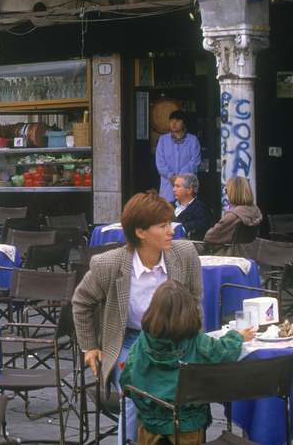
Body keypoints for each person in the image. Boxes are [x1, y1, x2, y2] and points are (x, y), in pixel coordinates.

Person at [72, 190, 203, 445]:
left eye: (170, 223)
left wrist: (197, 346)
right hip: (129, 343)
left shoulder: (185, 253)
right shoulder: (109, 264)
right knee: (135, 397)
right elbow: (82, 302)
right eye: (163, 225)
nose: (171, 230)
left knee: (189, 395)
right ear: (140, 232)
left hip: (176, 342)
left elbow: (195, 302)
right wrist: (90, 346)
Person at [119, 280, 253, 445]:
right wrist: (236, 336)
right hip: (188, 423)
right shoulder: (197, 341)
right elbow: (223, 353)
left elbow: (126, 381)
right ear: (189, 311)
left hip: (150, 422)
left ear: (153, 310)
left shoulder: (141, 341)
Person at [203, 176, 262, 256]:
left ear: (232, 193)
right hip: (249, 254)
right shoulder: (255, 210)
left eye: (227, 191)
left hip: (230, 256)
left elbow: (210, 238)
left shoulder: (233, 216)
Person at [155, 110, 201, 203]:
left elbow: (195, 162)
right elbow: (160, 162)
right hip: (168, 185)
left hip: (186, 184)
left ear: (184, 123)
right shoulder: (163, 140)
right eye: (171, 121)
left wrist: (179, 177)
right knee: (167, 209)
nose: (174, 123)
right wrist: (170, 175)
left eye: (177, 121)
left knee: (187, 208)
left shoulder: (193, 140)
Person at [170, 173, 212, 239]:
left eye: (178, 186)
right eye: (174, 186)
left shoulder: (201, 210)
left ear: (189, 190)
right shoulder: (168, 206)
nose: (174, 189)